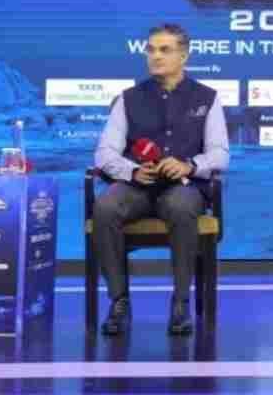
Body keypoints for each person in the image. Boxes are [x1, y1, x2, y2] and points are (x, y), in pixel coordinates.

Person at [92, 23, 229, 336]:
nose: (156, 56)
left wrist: (190, 166)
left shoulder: (207, 98)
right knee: (105, 206)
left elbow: (220, 154)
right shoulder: (128, 98)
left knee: (181, 207)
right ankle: (119, 301)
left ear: (184, 56)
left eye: (165, 50)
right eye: (151, 50)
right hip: (137, 187)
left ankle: (180, 303)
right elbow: (104, 153)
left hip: (184, 188)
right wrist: (131, 171)